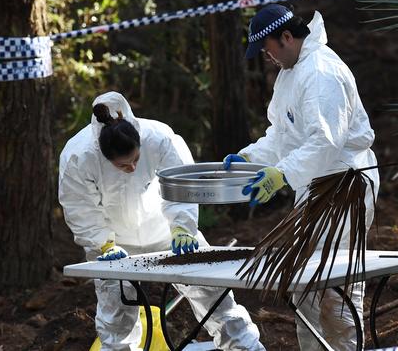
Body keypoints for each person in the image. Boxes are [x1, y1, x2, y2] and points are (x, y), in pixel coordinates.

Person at [222, 4, 380, 350]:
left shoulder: (321, 72)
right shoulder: (291, 73)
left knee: (337, 285)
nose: (266, 57)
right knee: (304, 285)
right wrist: (251, 157)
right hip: (313, 183)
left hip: (345, 184)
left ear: (287, 37)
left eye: (267, 48)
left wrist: (281, 175)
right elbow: (282, 135)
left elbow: (326, 141)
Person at [59, 91, 265, 351]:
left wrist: (182, 227)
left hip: (171, 237)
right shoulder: (79, 157)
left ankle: (247, 349)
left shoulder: (159, 138)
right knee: (115, 321)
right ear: (104, 155)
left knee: (216, 299)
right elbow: (80, 208)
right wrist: (103, 244)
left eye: (135, 160)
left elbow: (182, 186)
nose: (132, 169)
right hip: (114, 248)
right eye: (123, 166)